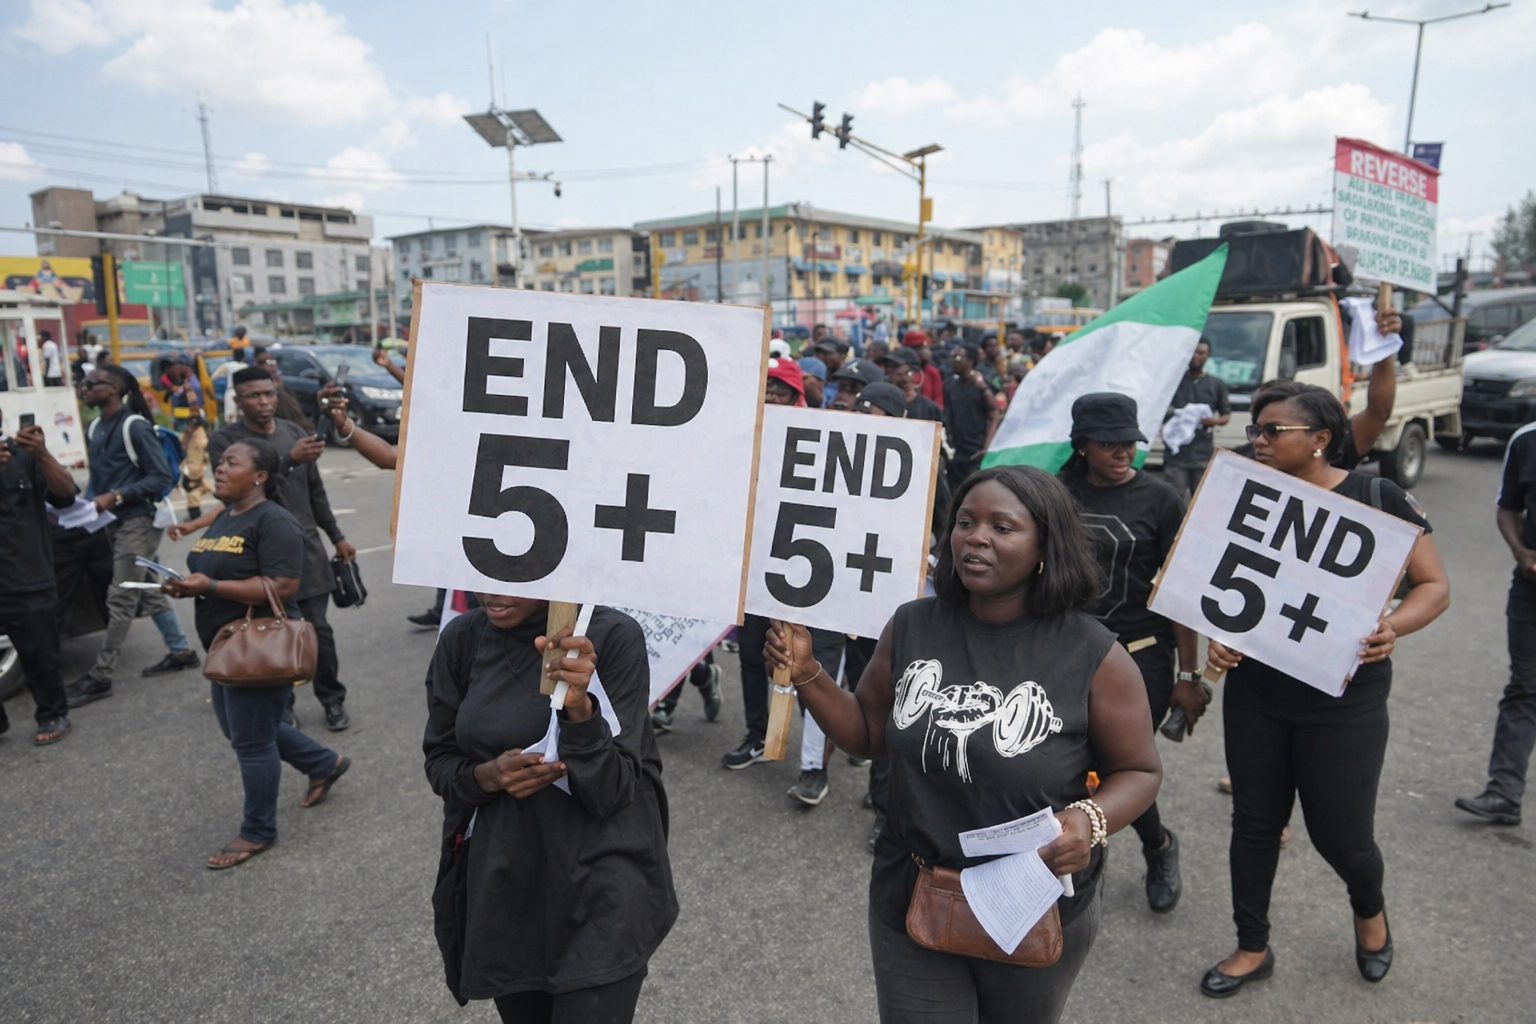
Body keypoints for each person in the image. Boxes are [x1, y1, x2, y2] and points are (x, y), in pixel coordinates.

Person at [766, 465, 1161, 1023]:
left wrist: (1089, 822)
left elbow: (1140, 771)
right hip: (912, 887)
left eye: (1003, 527)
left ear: (1046, 545)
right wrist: (809, 674)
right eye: (966, 522)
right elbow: (868, 732)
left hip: (1028, 901)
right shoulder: (913, 624)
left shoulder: (1094, 654)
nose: (976, 537)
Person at [1200, 384, 1449, 997]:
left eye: (1272, 430)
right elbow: (1214, 579)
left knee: (1342, 835)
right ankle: (1251, 946)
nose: (1257, 439)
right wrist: (1220, 636)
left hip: (1345, 700)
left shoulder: (1376, 497)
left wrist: (1393, 625)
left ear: (1320, 439)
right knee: (1255, 824)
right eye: (1255, 429)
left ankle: (1370, 912)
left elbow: (1433, 586)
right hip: (1258, 692)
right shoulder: (1240, 492)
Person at [423, 594, 677, 1022]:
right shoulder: (461, 640)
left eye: (513, 576)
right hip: (509, 891)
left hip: (601, 891)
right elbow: (440, 761)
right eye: (484, 573)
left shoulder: (613, 637)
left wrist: (580, 710)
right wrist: (487, 776)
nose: (491, 593)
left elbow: (613, 791)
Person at [160, 437, 350, 869]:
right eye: (219, 463)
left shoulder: (275, 521)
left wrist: (208, 586)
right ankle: (324, 762)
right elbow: (212, 567)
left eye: (231, 463)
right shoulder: (228, 514)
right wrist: (183, 583)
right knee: (243, 731)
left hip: (260, 647)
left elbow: (283, 587)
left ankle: (258, 830)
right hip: (226, 646)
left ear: (260, 476)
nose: (220, 469)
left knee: (250, 741)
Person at [1058, 393, 1204, 913]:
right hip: (1067, 652)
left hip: (1141, 657)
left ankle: (1157, 847)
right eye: (1110, 444)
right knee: (1071, 763)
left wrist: (1191, 674)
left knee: (1117, 764)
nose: (1124, 453)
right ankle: (1075, 859)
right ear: (1082, 446)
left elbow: (1180, 593)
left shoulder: (1161, 499)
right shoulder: (1058, 491)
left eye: (1131, 443)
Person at [174, 367, 357, 731]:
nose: (264, 401)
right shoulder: (226, 442)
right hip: (255, 555)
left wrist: (336, 536)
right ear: (238, 401)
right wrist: (288, 459)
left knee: (316, 630)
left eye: (269, 394)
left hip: (305, 547)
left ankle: (332, 699)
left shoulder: (294, 431)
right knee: (269, 632)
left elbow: (315, 493)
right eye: (255, 395)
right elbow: (233, 495)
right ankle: (282, 705)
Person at [65, 366, 199, 708]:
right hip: (111, 522)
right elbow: (99, 478)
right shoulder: (95, 426)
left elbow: (159, 477)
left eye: (92, 383)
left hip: (138, 522)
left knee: (122, 596)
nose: (85, 388)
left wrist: (118, 495)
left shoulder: (134, 426)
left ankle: (100, 676)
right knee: (146, 586)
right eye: (84, 382)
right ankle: (181, 651)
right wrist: (83, 505)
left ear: (114, 390)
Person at [1456, 419, 1536, 826]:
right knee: (1525, 688)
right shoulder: (1526, 440)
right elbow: (1509, 507)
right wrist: (1523, 554)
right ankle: (1504, 793)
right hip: (1530, 589)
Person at [0, 412, 77, 744]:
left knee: (39, 653)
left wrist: (43, 454)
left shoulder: (24, 455)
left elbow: (66, 495)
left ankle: (53, 713)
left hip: (25, 574)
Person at [1161, 338, 1231, 501]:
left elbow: (1225, 415)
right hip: (1175, 455)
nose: (1196, 356)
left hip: (1202, 454)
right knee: (1174, 499)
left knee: (1201, 500)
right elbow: (1161, 411)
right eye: (1193, 352)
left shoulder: (1216, 384)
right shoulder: (1174, 382)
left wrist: (1211, 422)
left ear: (1208, 356)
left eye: (1201, 353)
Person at [944, 344, 1000, 489]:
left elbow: (994, 414)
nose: (953, 362)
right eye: (952, 358)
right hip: (956, 451)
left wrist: (986, 447)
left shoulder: (982, 387)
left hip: (976, 451)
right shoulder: (951, 387)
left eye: (958, 358)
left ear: (970, 361)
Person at [251, 348, 313, 429]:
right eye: (268, 362)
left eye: (274, 362)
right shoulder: (258, 392)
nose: (273, 366)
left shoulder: (284, 389)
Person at [903, 329, 945, 410]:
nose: (927, 352)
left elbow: (938, 399)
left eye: (925, 348)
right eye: (921, 348)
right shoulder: (902, 371)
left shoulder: (933, 372)